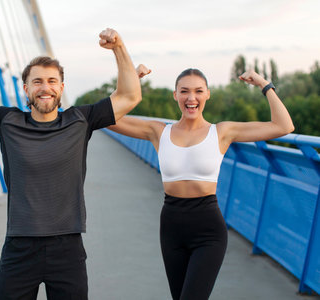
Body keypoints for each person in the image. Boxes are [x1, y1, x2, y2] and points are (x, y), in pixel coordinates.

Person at [0, 28, 143, 300]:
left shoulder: (80, 120)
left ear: (61, 87)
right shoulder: (7, 121)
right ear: (26, 89)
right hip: (19, 247)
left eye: (51, 81)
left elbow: (130, 96)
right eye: (37, 82)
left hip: (68, 248)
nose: (45, 88)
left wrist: (118, 47)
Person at [109, 66, 294, 300]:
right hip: (171, 227)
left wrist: (263, 84)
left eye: (198, 91)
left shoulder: (222, 131)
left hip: (208, 229)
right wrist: (130, 81)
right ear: (175, 95)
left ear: (208, 94)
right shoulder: (158, 131)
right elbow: (108, 118)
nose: (191, 98)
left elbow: (284, 126)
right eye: (184, 91)